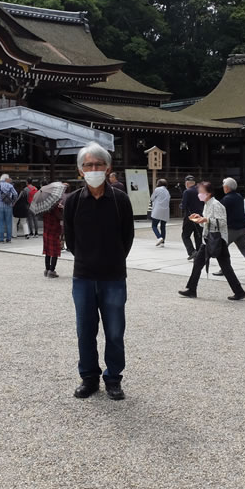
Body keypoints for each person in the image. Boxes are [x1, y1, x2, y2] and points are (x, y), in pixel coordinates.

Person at [64, 142, 134, 401]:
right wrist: (86, 259)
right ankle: (89, 377)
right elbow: (69, 239)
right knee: (85, 329)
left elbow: (127, 237)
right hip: (83, 275)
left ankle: (113, 378)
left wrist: (112, 260)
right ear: (80, 171)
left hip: (114, 276)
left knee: (115, 330)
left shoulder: (120, 200)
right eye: (88, 165)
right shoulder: (73, 202)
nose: (94, 169)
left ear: (108, 167)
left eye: (98, 164)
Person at [178, 182, 245, 301]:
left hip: (217, 239)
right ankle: (191, 289)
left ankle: (239, 291)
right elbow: (208, 222)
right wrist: (199, 218)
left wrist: (205, 219)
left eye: (201, 192)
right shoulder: (207, 204)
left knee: (225, 267)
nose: (199, 194)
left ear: (208, 193)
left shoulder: (216, 205)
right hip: (209, 239)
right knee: (199, 264)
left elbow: (222, 222)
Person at [214, 177, 245, 278]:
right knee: (244, 248)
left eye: (224, 186)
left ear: (227, 188)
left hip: (232, 229)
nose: (223, 188)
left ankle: (225, 268)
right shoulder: (239, 196)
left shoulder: (226, 199)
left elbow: (217, 211)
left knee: (222, 248)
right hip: (243, 227)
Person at [42, 186, 67, 278]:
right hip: (54, 230)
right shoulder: (55, 205)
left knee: (47, 250)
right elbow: (59, 217)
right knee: (55, 251)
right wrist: (62, 208)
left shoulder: (44, 205)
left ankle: (47, 269)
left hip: (46, 230)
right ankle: (52, 270)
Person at [180, 175, 203, 260]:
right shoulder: (201, 191)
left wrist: (181, 206)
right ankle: (199, 254)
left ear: (187, 183)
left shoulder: (187, 192)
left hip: (190, 216)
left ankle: (192, 251)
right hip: (200, 216)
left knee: (185, 235)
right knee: (198, 235)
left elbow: (184, 205)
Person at [0, 173, 18, 243]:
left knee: (0, 222)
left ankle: (1, 238)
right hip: (8, 206)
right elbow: (15, 194)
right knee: (9, 222)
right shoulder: (10, 185)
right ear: (6, 179)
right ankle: (9, 238)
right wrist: (13, 202)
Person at [149, 178, 170, 246]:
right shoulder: (167, 191)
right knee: (163, 226)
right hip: (165, 210)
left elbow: (152, 198)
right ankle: (163, 242)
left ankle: (159, 237)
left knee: (154, 225)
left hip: (158, 209)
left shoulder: (157, 189)